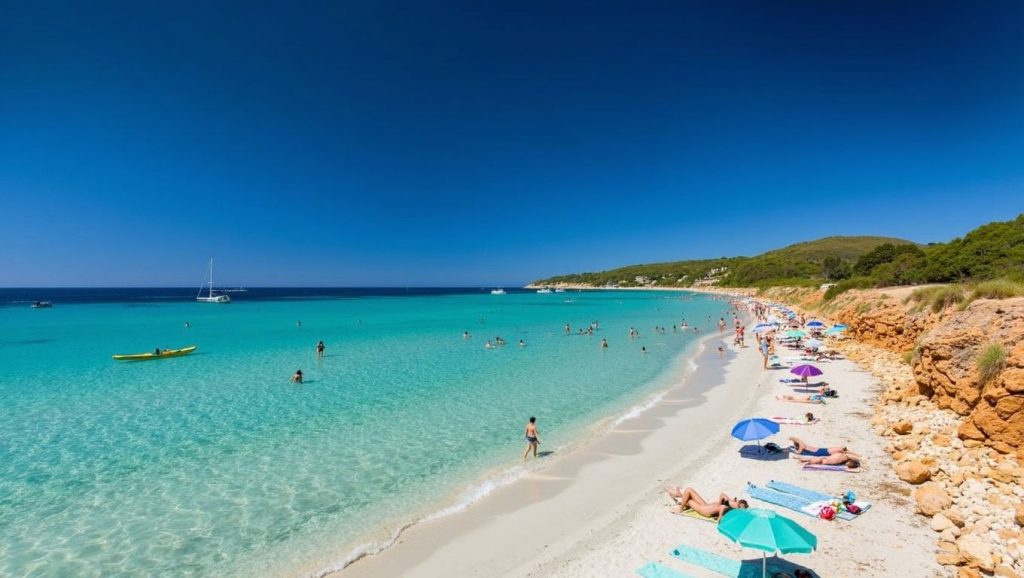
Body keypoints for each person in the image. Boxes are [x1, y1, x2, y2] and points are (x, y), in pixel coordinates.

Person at [664, 486, 748, 521]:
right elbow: (722, 495)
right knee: (689, 490)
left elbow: (722, 508)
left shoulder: (734, 510)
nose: (736, 501)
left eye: (739, 504)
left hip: (705, 510)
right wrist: (726, 501)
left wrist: (720, 516)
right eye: (738, 501)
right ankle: (677, 495)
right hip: (707, 506)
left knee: (688, 499)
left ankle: (680, 507)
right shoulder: (732, 503)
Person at [789, 437, 860, 459]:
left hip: (819, 452)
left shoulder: (801, 446)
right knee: (841, 450)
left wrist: (793, 450)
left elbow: (798, 452)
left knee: (841, 450)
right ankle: (857, 455)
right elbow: (797, 440)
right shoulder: (802, 444)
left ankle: (857, 455)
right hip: (819, 450)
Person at [795, 453, 862, 470]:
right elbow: (849, 456)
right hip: (825, 459)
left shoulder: (843, 458)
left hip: (825, 459)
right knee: (813, 460)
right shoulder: (844, 457)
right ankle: (802, 459)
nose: (847, 465)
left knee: (813, 459)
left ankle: (802, 459)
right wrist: (858, 458)